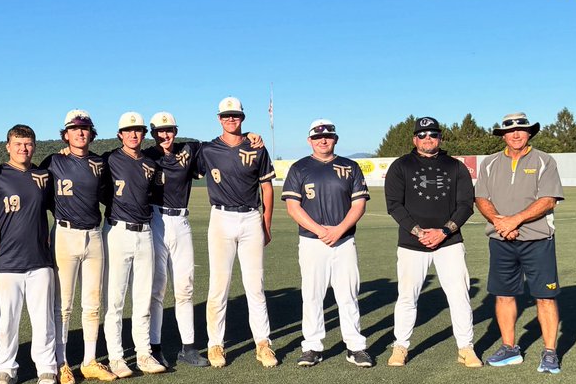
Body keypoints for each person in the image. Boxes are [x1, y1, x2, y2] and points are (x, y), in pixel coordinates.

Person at [384, 116, 482, 368]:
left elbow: (465, 205)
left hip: (449, 242)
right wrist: (418, 232)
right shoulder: (400, 166)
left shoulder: (455, 167)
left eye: (433, 135)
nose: (428, 139)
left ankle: (465, 347)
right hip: (411, 243)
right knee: (407, 297)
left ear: (440, 137)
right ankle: (400, 347)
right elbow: (394, 205)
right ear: (414, 138)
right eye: (423, 135)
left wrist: (444, 231)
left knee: (459, 295)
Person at [474, 112, 565, 373]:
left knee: (545, 297)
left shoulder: (544, 160)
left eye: (521, 130)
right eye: (510, 131)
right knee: (504, 295)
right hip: (501, 240)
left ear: (529, 133)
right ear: (503, 135)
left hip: (537, 240)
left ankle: (549, 352)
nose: (515, 134)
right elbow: (481, 198)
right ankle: (510, 348)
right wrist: (501, 224)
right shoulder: (490, 163)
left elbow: (548, 200)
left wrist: (513, 221)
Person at [282, 119, 373, 368]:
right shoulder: (299, 168)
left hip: (343, 240)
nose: (323, 140)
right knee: (312, 295)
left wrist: (339, 230)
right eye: (317, 137)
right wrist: (321, 231)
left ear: (336, 139)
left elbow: (359, 204)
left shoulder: (350, 166)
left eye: (328, 136)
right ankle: (312, 346)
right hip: (312, 241)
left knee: (348, 294)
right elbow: (293, 207)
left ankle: (355, 346)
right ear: (309, 140)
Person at [197, 97, 276, 369]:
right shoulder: (207, 149)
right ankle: (215, 344)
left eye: (236, 116)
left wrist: (266, 224)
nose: (232, 119)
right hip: (220, 217)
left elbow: (267, 188)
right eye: (227, 116)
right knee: (219, 285)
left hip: (251, 217)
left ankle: (263, 343)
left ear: (243, 117)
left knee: (255, 286)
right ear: (219, 118)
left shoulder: (256, 147)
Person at [0, 125, 58, 384]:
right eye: (17, 144)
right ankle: (5, 368)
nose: (23, 149)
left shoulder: (43, 175)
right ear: (7, 146)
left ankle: (47, 367)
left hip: (40, 260)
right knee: (6, 320)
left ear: (34, 146)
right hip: (6, 262)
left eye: (28, 144)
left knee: (43, 318)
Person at [40, 110, 109, 384]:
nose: (80, 133)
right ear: (65, 134)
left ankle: (90, 360)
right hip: (65, 233)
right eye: (75, 128)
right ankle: (61, 361)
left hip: (93, 235)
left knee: (93, 303)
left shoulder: (100, 163)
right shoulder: (53, 161)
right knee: (63, 305)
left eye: (85, 128)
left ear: (91, 133)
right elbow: (40, 193)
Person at [99, 112, 166, 377]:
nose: (133, 134)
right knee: (115, 300)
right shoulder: (108, 159)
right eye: (128, 130)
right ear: (120, 134)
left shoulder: (150, 163)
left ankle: (143, 353)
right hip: (117, 230)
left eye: (138, 130)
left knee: (142, 298)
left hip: (145, 232)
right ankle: (116, 357)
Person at [144, 112, 206, 367]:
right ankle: (155, 346)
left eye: (169, 129)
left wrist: (250, 137)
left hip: (180, 221)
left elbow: (219, 146)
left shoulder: (189, 150)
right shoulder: (146, 155)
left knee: (185, 287)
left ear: (176, 130)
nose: (165, 135)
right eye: (159, 130)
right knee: (157, 288)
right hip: (155, 220)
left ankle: (188, 347)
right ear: (153, 133)